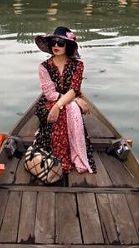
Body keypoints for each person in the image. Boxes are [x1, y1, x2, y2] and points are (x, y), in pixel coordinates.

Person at [33, 26, 95, 174]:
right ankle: (61, 158)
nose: (56, 46)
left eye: (61, 43)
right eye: (53, 42)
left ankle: (75, 155)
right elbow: (50, 94)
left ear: (68, 45)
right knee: (66, 110)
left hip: (66, 100)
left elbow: (74, 89)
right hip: (49, 102)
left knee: (65, 111)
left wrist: (61, 104)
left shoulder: (78, 65)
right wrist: (74, 101)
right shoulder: (44, 67)